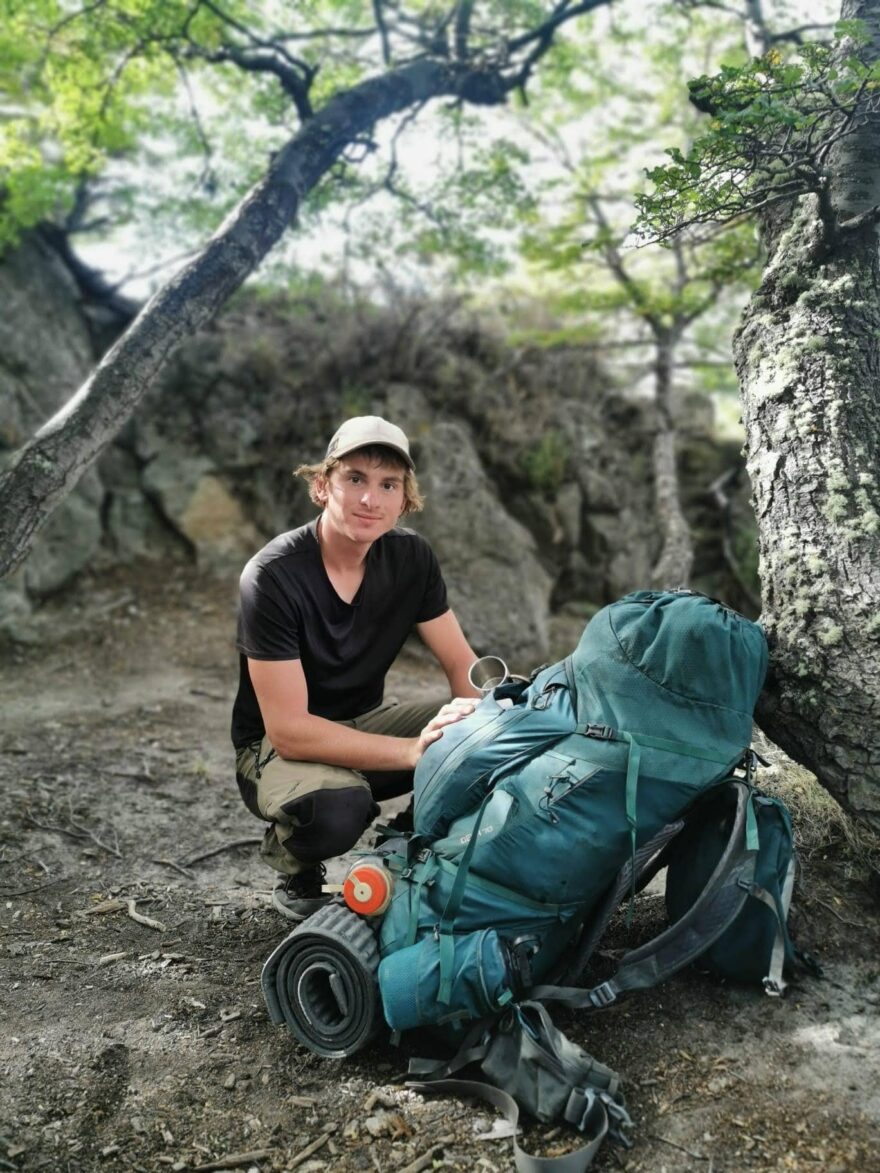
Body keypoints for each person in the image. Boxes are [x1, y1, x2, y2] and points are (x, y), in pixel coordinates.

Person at [231, 415, 480, 920]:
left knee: (478, 729)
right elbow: (291, 732)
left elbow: (461, 664)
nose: (371, 499)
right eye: (355, 479)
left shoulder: (411, 559)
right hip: (275, 751)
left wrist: (495, 720)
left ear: (404, 499)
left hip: (362, 728)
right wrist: (413, 752)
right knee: (339, 809)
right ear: (323, 486)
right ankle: (294, 864)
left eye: (388, 484)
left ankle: (409, 846)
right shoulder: (272, 576)